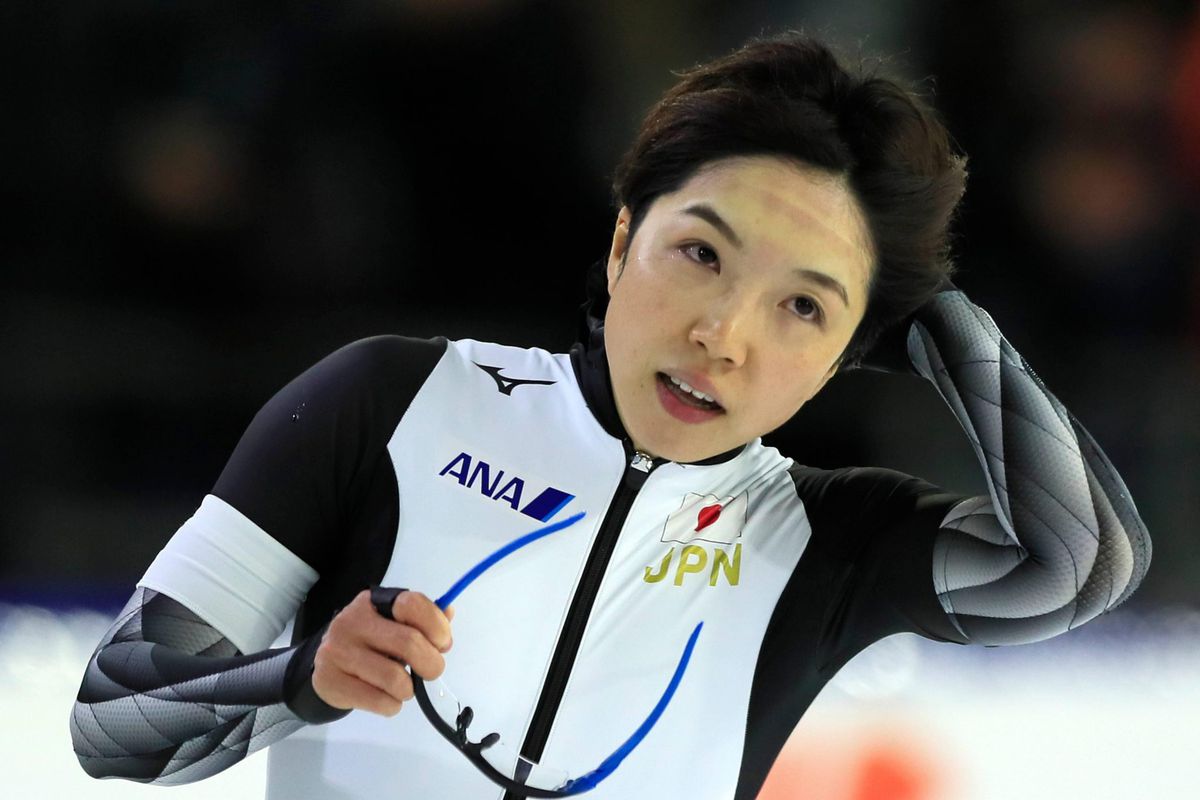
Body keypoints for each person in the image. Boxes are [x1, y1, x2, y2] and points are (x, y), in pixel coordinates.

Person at [70, 31, 1150, 799]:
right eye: (701, 253)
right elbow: (115, 722)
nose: (724, 333)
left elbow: (1084, 562)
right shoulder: (393, 398)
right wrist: (300, 680)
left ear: (845, 356)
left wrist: (935, 313)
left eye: (803, 307)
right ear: (623, 237)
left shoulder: (824, 544)